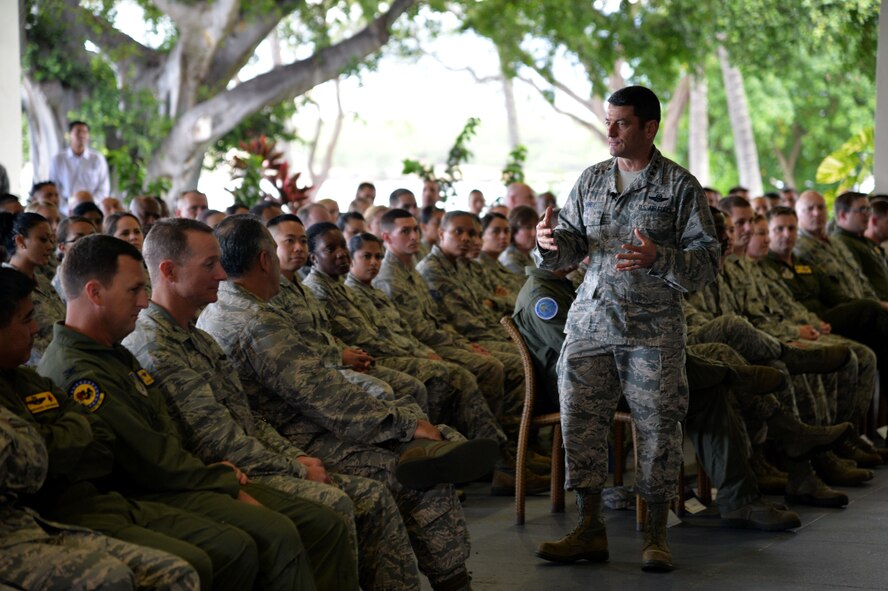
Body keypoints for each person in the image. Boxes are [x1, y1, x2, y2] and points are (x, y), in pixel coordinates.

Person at [38, 234, 358, 591]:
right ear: (95, 293)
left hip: (178, 476)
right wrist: (220, 479)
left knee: (317, 522)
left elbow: (213, 423)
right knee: (273, 534)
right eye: (133, 291)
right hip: (143, 492)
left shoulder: (112, 352)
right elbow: (149, 457)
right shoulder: (81, 371)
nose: (144, 301)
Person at [198, 215, 497, 591]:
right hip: (299, 434)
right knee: (414, 476)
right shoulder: (256, 319)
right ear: (264, 260)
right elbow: (322, 394)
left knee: (415, 446)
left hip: (297, 426)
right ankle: (451, 580)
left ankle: (434, 447)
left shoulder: (227, 307)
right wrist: (401, 424)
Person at [124, 218, 423, 591]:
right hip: (221, 475)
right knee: (343, 502)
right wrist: (295, 468)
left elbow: (249, 418)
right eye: (209, 265)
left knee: (370, 495)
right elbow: (214, 440)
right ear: (168, 271)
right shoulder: (155, 345)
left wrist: (294, 458)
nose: (222, 272)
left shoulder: (196, 336)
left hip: (255, 459)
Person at [533, 86, 720, 572]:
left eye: (622, 123)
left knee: (658, 430)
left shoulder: (679, 186)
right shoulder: (592, 180)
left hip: (651, 330)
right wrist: (549, 243)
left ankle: (657, 535)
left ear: (649, 127)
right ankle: (588, 527)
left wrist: (661, 258)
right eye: (608, 122)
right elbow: (570, 250)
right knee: (579, 425)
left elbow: (706, 262)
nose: (610, 131)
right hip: (590, 323)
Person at [1, 212, 65, 365]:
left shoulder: (40, 279)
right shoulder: (6, 287)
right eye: (42, 240)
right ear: (21, 241)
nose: (50, 246)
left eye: (51, 240)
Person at [831, 192, 888, 300]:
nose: (868, 214)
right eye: (862, 210)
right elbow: (858, 286)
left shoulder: (864, 241)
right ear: (843, 215)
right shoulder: (841, 243)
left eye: (868, 209)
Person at [49, 121, 110, 207]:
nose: (81, 135)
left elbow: (104, 188)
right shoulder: (58, 160)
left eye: (85, 132)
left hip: (92, 208)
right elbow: (54, 187)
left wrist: (92, 204)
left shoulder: (97, 159)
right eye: (78, 132)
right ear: (70, 134)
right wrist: (66, 208)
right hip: (65, 210)